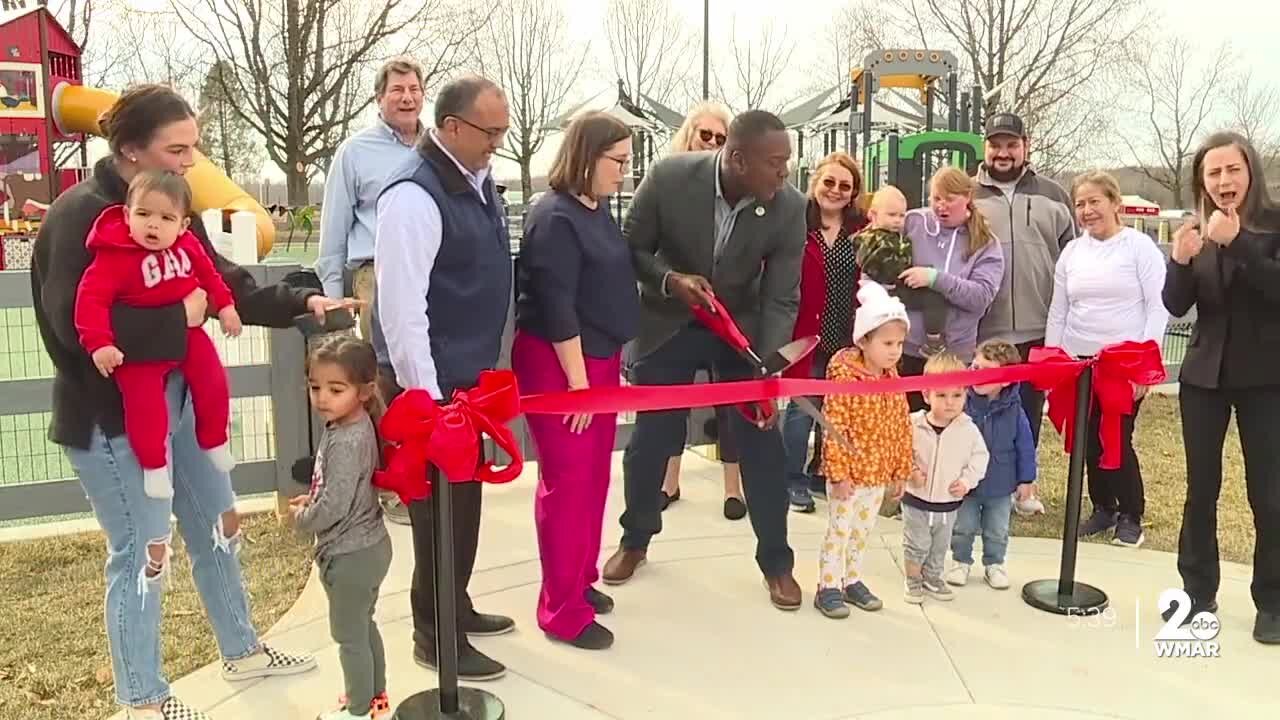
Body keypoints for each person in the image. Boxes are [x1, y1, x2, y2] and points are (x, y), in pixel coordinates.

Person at [31, 84, 332, 720]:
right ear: (130, 149)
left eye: (194, 148)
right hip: (109, 416)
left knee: (219, 524)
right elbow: (71, 332)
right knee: (143, 550)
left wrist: (300, 303)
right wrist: (181, 318)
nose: (190, 162)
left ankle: (242, 649)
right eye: (178, 149)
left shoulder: (173, 204)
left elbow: (221, 283)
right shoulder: (77, 217)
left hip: (182, 400)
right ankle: (141, 694)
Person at [602, 110, 807, 611]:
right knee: (651, 440)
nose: (784, 173)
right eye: (775, 163)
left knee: (762, 442)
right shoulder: (670, 177)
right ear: (737, 160)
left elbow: (782, 297)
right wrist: (671, 281)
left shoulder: (788, 206)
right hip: (667, 322)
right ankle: (636, 539)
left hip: (740, 333)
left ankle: (777, 563)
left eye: (786, 163)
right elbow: (631, 247)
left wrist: (769, 363)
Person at [370, 74, 516, 679]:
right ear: (451, 126)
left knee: (464, 509)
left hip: (465, 385)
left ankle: (455, 605)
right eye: (491, 133)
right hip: (429, 390)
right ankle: (435, 635)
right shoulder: (413, 196)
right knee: (438, 518)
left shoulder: (477, 183)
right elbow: (403, 310)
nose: (498, 144)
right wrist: (427, 403)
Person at [512, 111, 639, 650]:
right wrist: (578, 383)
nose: (625, 173)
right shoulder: (554, 217)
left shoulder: (599, 210)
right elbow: (557, 304)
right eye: (619, 162)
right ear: (588, 158)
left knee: (594, 478)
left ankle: (579, 580)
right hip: (561, 364)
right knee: (567, 484)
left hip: (600, 359)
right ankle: (560, 609)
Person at [1162, 131, 1280, 645]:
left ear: (1249, 172)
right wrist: (1180, 261)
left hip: (1267, 378)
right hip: (1204, 377)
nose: (1224, 181)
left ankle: (1273, 603)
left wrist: (1241, 245)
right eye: (1214, 173)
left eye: (1232, 170)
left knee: (1270, 494)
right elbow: (1175, 304)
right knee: (1200, 489)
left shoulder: (1273, 226)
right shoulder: (1197, 229)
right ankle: (1196, 590)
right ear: (1202, 181)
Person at [74, 170, 241, 499]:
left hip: (188, 335)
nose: (153, 225)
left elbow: (210, 274)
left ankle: (214, 440)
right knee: (145, 407)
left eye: (166, 217)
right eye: (143, 214)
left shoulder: (188, 245)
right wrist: (99, 344)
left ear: (182, 225)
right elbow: (90, 301)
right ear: (126, 214)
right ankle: (153, 466)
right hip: (141, 349)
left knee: (213, 381)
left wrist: (226, 306)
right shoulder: (113, 257)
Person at [316, 57, 424, 526]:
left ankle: (431, 475)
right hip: (375, 276)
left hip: (431, 272)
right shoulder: (355, 153)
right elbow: (334, 229)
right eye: (397, 89)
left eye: (415, 89)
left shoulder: (437, 146)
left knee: (428, 374)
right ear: (380, 98)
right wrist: (334, 296)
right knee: (384, 380)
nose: (407, 97)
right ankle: (395, 488)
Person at [1046, 170, 1168, 548]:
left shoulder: (1139, 247)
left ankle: (1131, 514)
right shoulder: (1072, 252)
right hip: (1080, 362)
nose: (1086, 210)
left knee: (1117, 438)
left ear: (1115, 204)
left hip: (1123, 365)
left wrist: (1146, 367)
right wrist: (1053, 363)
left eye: (1094, 202)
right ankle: (1103, 507)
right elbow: (1059, 311)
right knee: (1087, 440)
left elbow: (1157, 307)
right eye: (1080, 204)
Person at [974, 112, 1074, 516]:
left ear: (1025, 146)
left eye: (1011, 144)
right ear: (986, 147)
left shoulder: (1054, 194)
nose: (1003, 152)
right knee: (979, 411)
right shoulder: (969, 193)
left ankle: (1023, 489)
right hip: (985, 327)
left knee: (1026, 416)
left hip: (1038, 326)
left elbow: (1072, 258)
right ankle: (977, 483)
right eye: (996, 144)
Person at [292, 336, 392, 720]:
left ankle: (357, 710)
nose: (322, 398)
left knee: (349, 637)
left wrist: (304, 519)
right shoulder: (349, 424)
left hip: (351, 555)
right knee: (363, 627)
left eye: (336, 389)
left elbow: (334, 506)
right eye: (315, 387)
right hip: (367, 548)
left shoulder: (348, 439)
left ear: (365, 391)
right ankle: (374, 698)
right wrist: (312, 500)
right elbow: (336, 490)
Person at [657, 99, 745, 519]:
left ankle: (734, 489)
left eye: (720, 138)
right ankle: (669, 482)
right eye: (704, 134)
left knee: (731, 401)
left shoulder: (736, 187)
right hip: (675, 312)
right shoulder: (664, 181)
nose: (711, 142)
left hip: (727, 314)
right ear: (688, 134)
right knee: (672, 404)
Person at [812, 281, 913, 618]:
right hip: (849, 476)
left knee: (862, 532)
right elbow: (834, 427)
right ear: (864, 340)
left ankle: (852, 580)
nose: (895, 351)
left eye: (899, 343)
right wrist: (838, 474)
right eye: (887, 343)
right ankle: (828, 586)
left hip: (877, 474)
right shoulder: (844, 378)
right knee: (839, 532)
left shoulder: (892, 379)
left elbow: (901, 425)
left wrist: (901, 470)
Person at [782, 152, 868, 514]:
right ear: (815, 183)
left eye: (844, 186)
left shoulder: (862, 230)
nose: (835, 191)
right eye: (828, 182)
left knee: (837, 413)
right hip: (805, 333)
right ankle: (792, 478)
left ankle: (823, 470)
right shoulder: (795, 225)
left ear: (853, 193)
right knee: (802, 410)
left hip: (846, 336)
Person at [899, 166, 1005, 410]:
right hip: (908, 351)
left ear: (967, 197)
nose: (941, 206)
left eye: (949, 199)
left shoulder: (986, 243)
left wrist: (936, 279)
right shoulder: (914, 223)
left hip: (956, 356)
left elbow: (981, 297)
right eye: (936, 198)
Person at [947, 339, 1037, 590]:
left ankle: (994, 564)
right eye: (975, 367)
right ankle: (960, 562)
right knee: (963, 526)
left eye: (987, 370)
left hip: (1001, 483)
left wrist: (1026, 479)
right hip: (966, 483)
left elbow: (1025, 446)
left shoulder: (1015, 410)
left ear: (1006, 379)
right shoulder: (961, 403)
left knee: (997, 529)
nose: (977, 375)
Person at [902, 352, 988, 604]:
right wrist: (910, 470)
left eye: (957, 395)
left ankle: (933, 577)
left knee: (940, 545)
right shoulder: (913, 425)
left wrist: (966, 482)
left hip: (948, 501)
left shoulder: (968, 429)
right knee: (916, 542)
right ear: (926, 395)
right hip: (916, 498)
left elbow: (979, 459)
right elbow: (899, 450)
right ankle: (913, 580)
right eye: (941, 395)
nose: (950, 402)